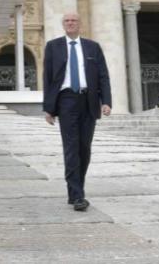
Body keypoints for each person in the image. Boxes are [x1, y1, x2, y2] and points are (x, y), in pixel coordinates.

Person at [43, 12, 112, 212]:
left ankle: (77, 189)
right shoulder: (53, 46)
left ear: (80, 24)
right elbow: (47, 77)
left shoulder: (93, 47)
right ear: (63, 25)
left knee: (84, 148)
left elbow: (103, 76)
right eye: (67, 21)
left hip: (88, 100)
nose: (70, 23)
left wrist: (106, 101)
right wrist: (49, 108)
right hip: (66, 100)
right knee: (71, 147)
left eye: (74, 20)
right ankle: (77, 195)